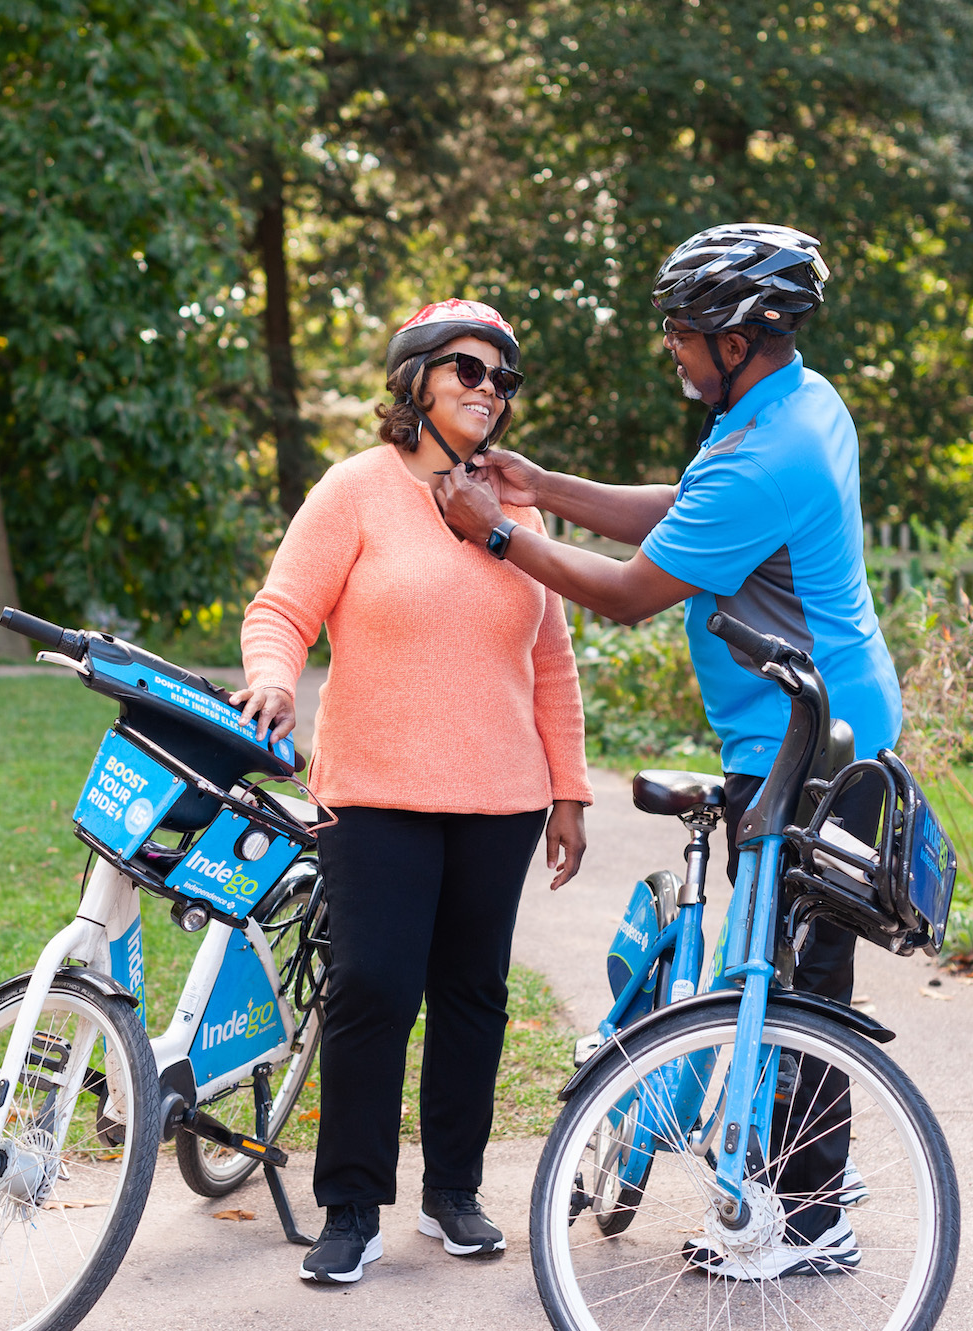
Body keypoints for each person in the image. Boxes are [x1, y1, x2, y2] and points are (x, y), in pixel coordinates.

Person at [435, 224, 903, 1280]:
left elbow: (631, 590)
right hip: (821, 722)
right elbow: (685, 511)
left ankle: (811, 1211)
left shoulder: (769, 447)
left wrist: (496, 531)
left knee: (787, 977)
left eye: (681, 334)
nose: (671, 351)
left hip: (805, 743)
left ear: (737, 337)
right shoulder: (786, 403)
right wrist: (546, 484)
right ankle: (813, 1179)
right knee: (796, 963)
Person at [233, 298, 593, 1286]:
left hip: (501, 798)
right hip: (376, 789)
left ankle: (453, 1193)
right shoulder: (355, 489)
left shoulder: (514, 506)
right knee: (372, 989)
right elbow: (280, 610)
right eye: (469, 371)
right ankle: (349, 1206)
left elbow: (551, 661)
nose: (490, 391)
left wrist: (568, 789)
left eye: (503, 379)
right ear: (416, 381)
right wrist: (270, 675)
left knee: (471, 995)